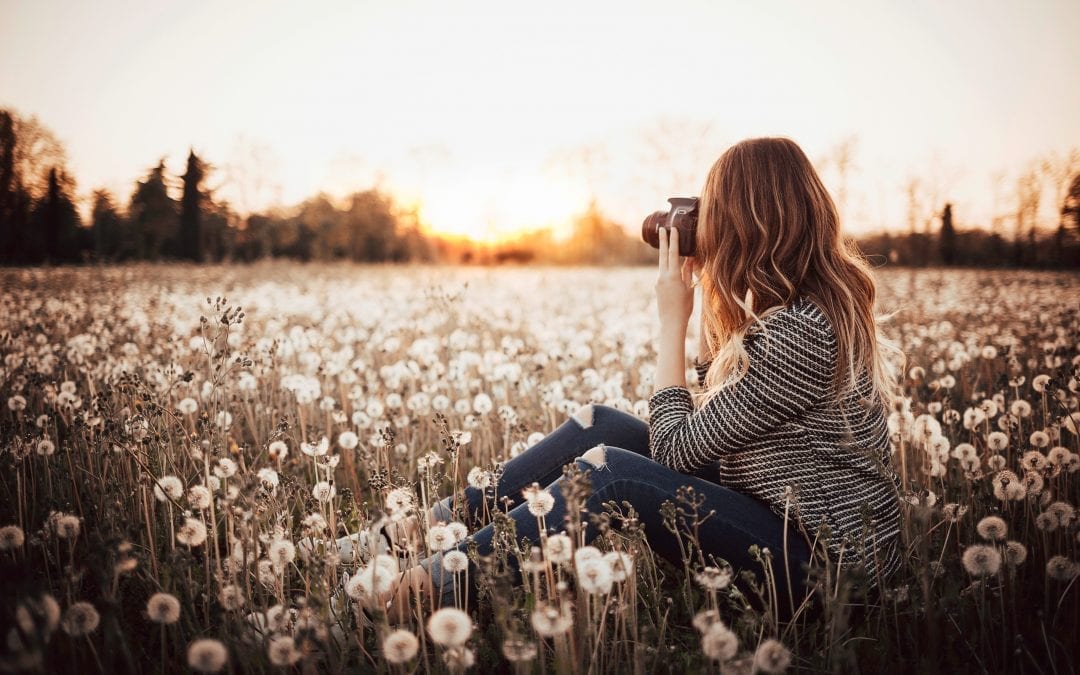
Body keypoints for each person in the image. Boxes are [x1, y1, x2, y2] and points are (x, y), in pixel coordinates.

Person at [369, 136, 906, 622]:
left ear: (745, 223)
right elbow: (714, 403)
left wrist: (672, 319)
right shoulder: (802, 311)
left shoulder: (801, 331)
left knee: (613, 473)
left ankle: (418, 594)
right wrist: (706, 295)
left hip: (829, 574)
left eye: (713, 210)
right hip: (784, 523)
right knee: (601, 425)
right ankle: (411, 532)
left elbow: (676, 450)